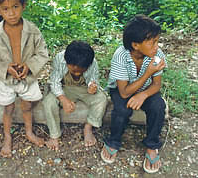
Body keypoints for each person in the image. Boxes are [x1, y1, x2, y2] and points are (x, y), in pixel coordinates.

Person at [0, 0, 49, 158]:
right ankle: (7, 138)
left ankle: (29, 132)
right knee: (8, 108)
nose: (11, 13)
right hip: (6, 79)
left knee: (27, 105)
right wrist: (6, 68)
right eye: (6, 9)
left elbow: (42, 53)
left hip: (28, 77)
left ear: (23, 6)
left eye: (15, 7)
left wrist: (29, 66)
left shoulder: (32, 30)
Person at [100, 15, 166, 174]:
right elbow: (124, 92)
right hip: (121, 89)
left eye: (157, 41)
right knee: (122, 110)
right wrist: (147, 73)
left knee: (158, 106)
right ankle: (114, 140)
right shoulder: (121, 56)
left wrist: (142, 95)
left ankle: (152, 145)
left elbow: (156, 85)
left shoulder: (157, 55)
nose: (156, 46)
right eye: (152, 42)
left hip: (146, 88)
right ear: (135, 45)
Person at [43, 40, 107, 151]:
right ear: (67, 62)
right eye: (73, 70)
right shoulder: (60, 58)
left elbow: (94, 79)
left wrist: (92, 86)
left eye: (81, 71)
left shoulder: (92, 62)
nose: (77, 74)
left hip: (83, 89)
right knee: (48, 102)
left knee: (101, 99)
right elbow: (54, 82)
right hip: (64, 88)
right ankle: (54, 135)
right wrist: (63, 99)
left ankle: (88, 127)